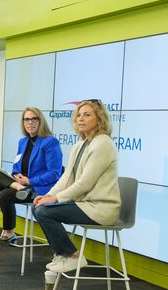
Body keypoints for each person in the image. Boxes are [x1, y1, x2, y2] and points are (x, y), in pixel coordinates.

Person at [34, 100, 121, 273]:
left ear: (99, 120)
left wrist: (56, 198)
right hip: (86, 204)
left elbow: (85, 183)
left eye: (87, 115)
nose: (81, 119)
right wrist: (48, 196)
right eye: (79, 115)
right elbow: (67, 177)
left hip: (102, 208)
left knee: (44, 212)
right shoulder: (80, 144)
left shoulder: (103, 143)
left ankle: (72, 256)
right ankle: (63, 254)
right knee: (40, 207)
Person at [0, 107, 63, 243]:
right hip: (21, 186)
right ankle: (19, 188)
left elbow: (54, 174)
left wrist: (29, 181)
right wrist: (16, 176)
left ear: (40, 121)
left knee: (5, 194)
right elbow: (16, 166)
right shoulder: (23, 142)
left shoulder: (50, 142)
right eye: (26, 119)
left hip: (38, 189)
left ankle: (9, 232)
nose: (30, 122)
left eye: (34, 119)